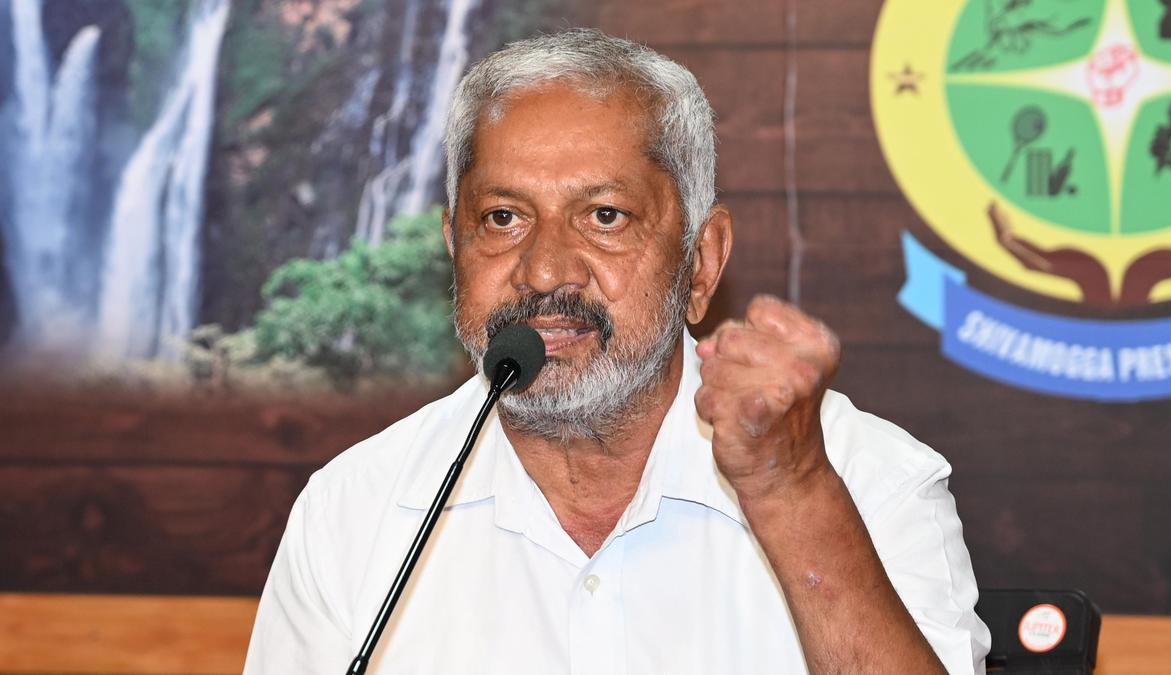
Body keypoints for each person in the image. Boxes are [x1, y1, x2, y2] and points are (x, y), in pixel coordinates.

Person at [244, 29, 990, 674]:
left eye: (605, 216)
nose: (545, 271)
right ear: (453, 246)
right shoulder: (355, 511)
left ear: (701, 263)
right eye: (502, 218)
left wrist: (790, 494)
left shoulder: (870, 481)